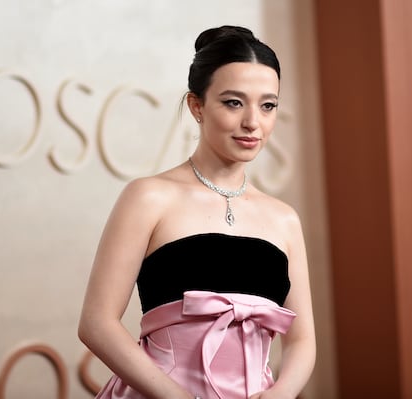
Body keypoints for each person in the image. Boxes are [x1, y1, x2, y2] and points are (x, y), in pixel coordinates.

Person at [78, 25, 316, 399]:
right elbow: (96, 323)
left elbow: (302, 342)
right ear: (197, 106)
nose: (253, 122)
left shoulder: (284, 218)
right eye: (234, 102)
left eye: (267, 105)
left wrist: (279, 394)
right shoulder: (148, 197)